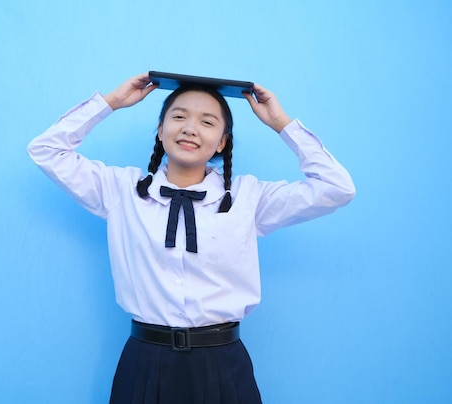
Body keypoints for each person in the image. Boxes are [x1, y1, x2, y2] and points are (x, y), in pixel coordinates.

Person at [27, 72, 355, 403]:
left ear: (222, 141)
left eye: (207, 122)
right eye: (179, 117)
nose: (190, 128)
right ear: (160, 129)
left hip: (222, 363)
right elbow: (46, 150)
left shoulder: (248, 198)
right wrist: (111, 102)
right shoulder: (120, 190)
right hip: (145, 360)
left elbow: (337, 188)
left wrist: (281, 123)